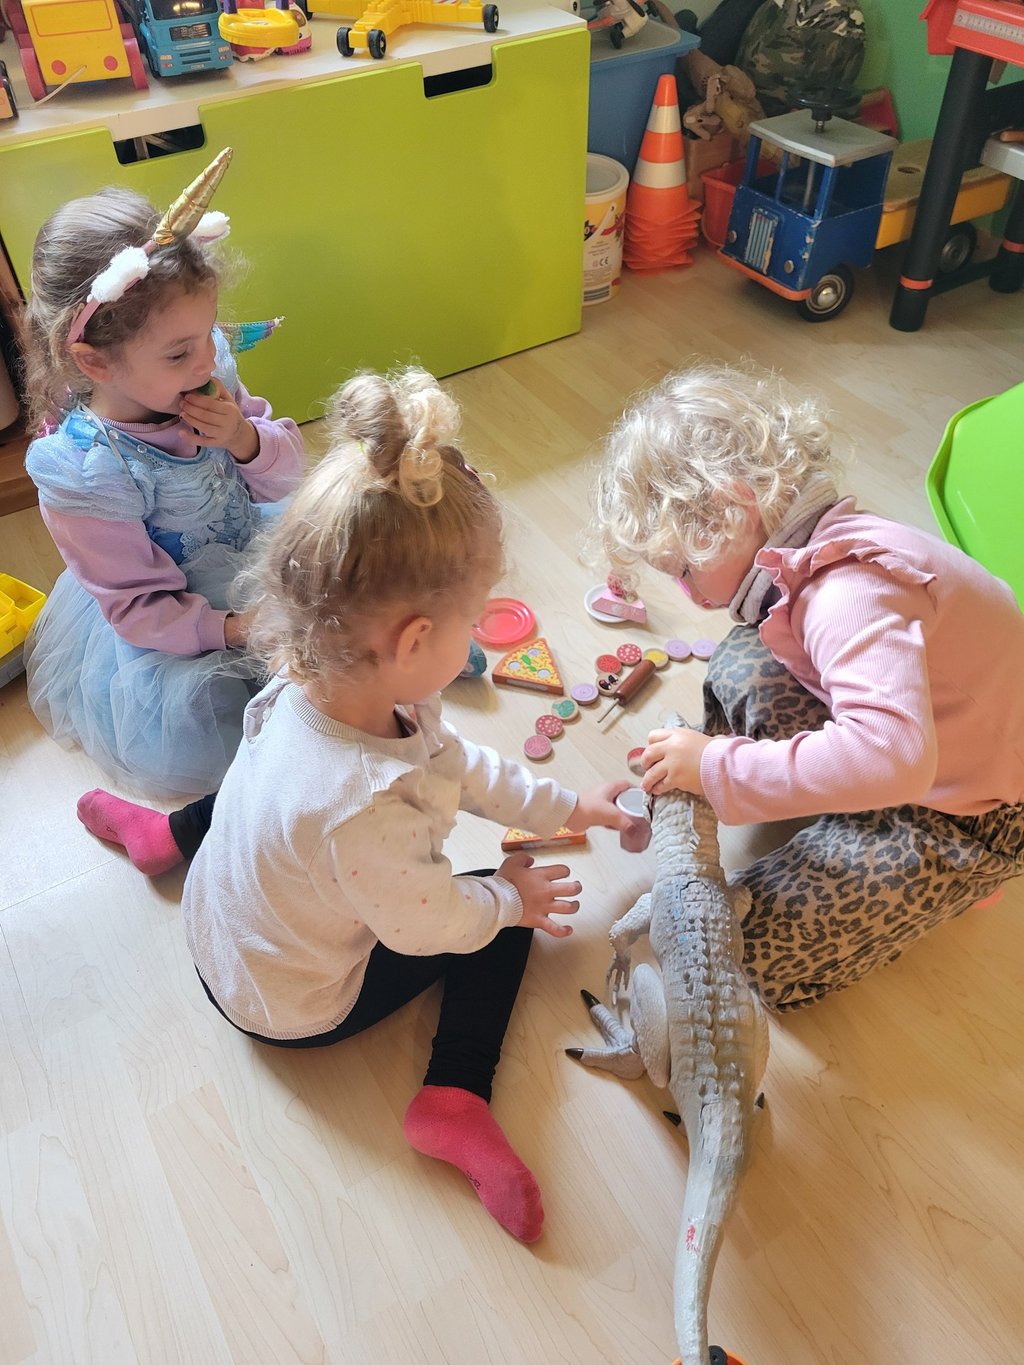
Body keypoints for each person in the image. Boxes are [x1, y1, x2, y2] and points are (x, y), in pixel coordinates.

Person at [84, 365, 634, 1242]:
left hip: (221, 934)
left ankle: (167, 837)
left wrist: (570, 803)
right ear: (415, 640)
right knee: (505, 920)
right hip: (289, 1006)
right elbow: (428, 925)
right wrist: (508, 897)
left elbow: (456, 761)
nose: (475, 636)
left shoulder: (309, 683)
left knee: (259, 788)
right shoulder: (367, 808)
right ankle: (454, 1093)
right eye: (473, 620)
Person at [593, 361, 1024, 1012]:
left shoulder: (849, 592)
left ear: (735, 507)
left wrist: (715, 767)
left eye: (684, 569)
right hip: (921, 743)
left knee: (758, 945)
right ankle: (836, 791)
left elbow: (895, 759)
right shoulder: (817, 550)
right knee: (741, 658)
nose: (689, 593)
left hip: (978, 809)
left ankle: (970, 874)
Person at [20, 151, 306, 798]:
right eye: (179, 352)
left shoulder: (208, 368)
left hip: (255, 541)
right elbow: (138, 608)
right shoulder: (86, 470)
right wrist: (237, 628)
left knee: (352, 577)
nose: (207, 360)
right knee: (250, 740)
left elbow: (288, 478)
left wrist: (243, 438)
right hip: (180, 623)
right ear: (95, 363)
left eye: (207, 335)